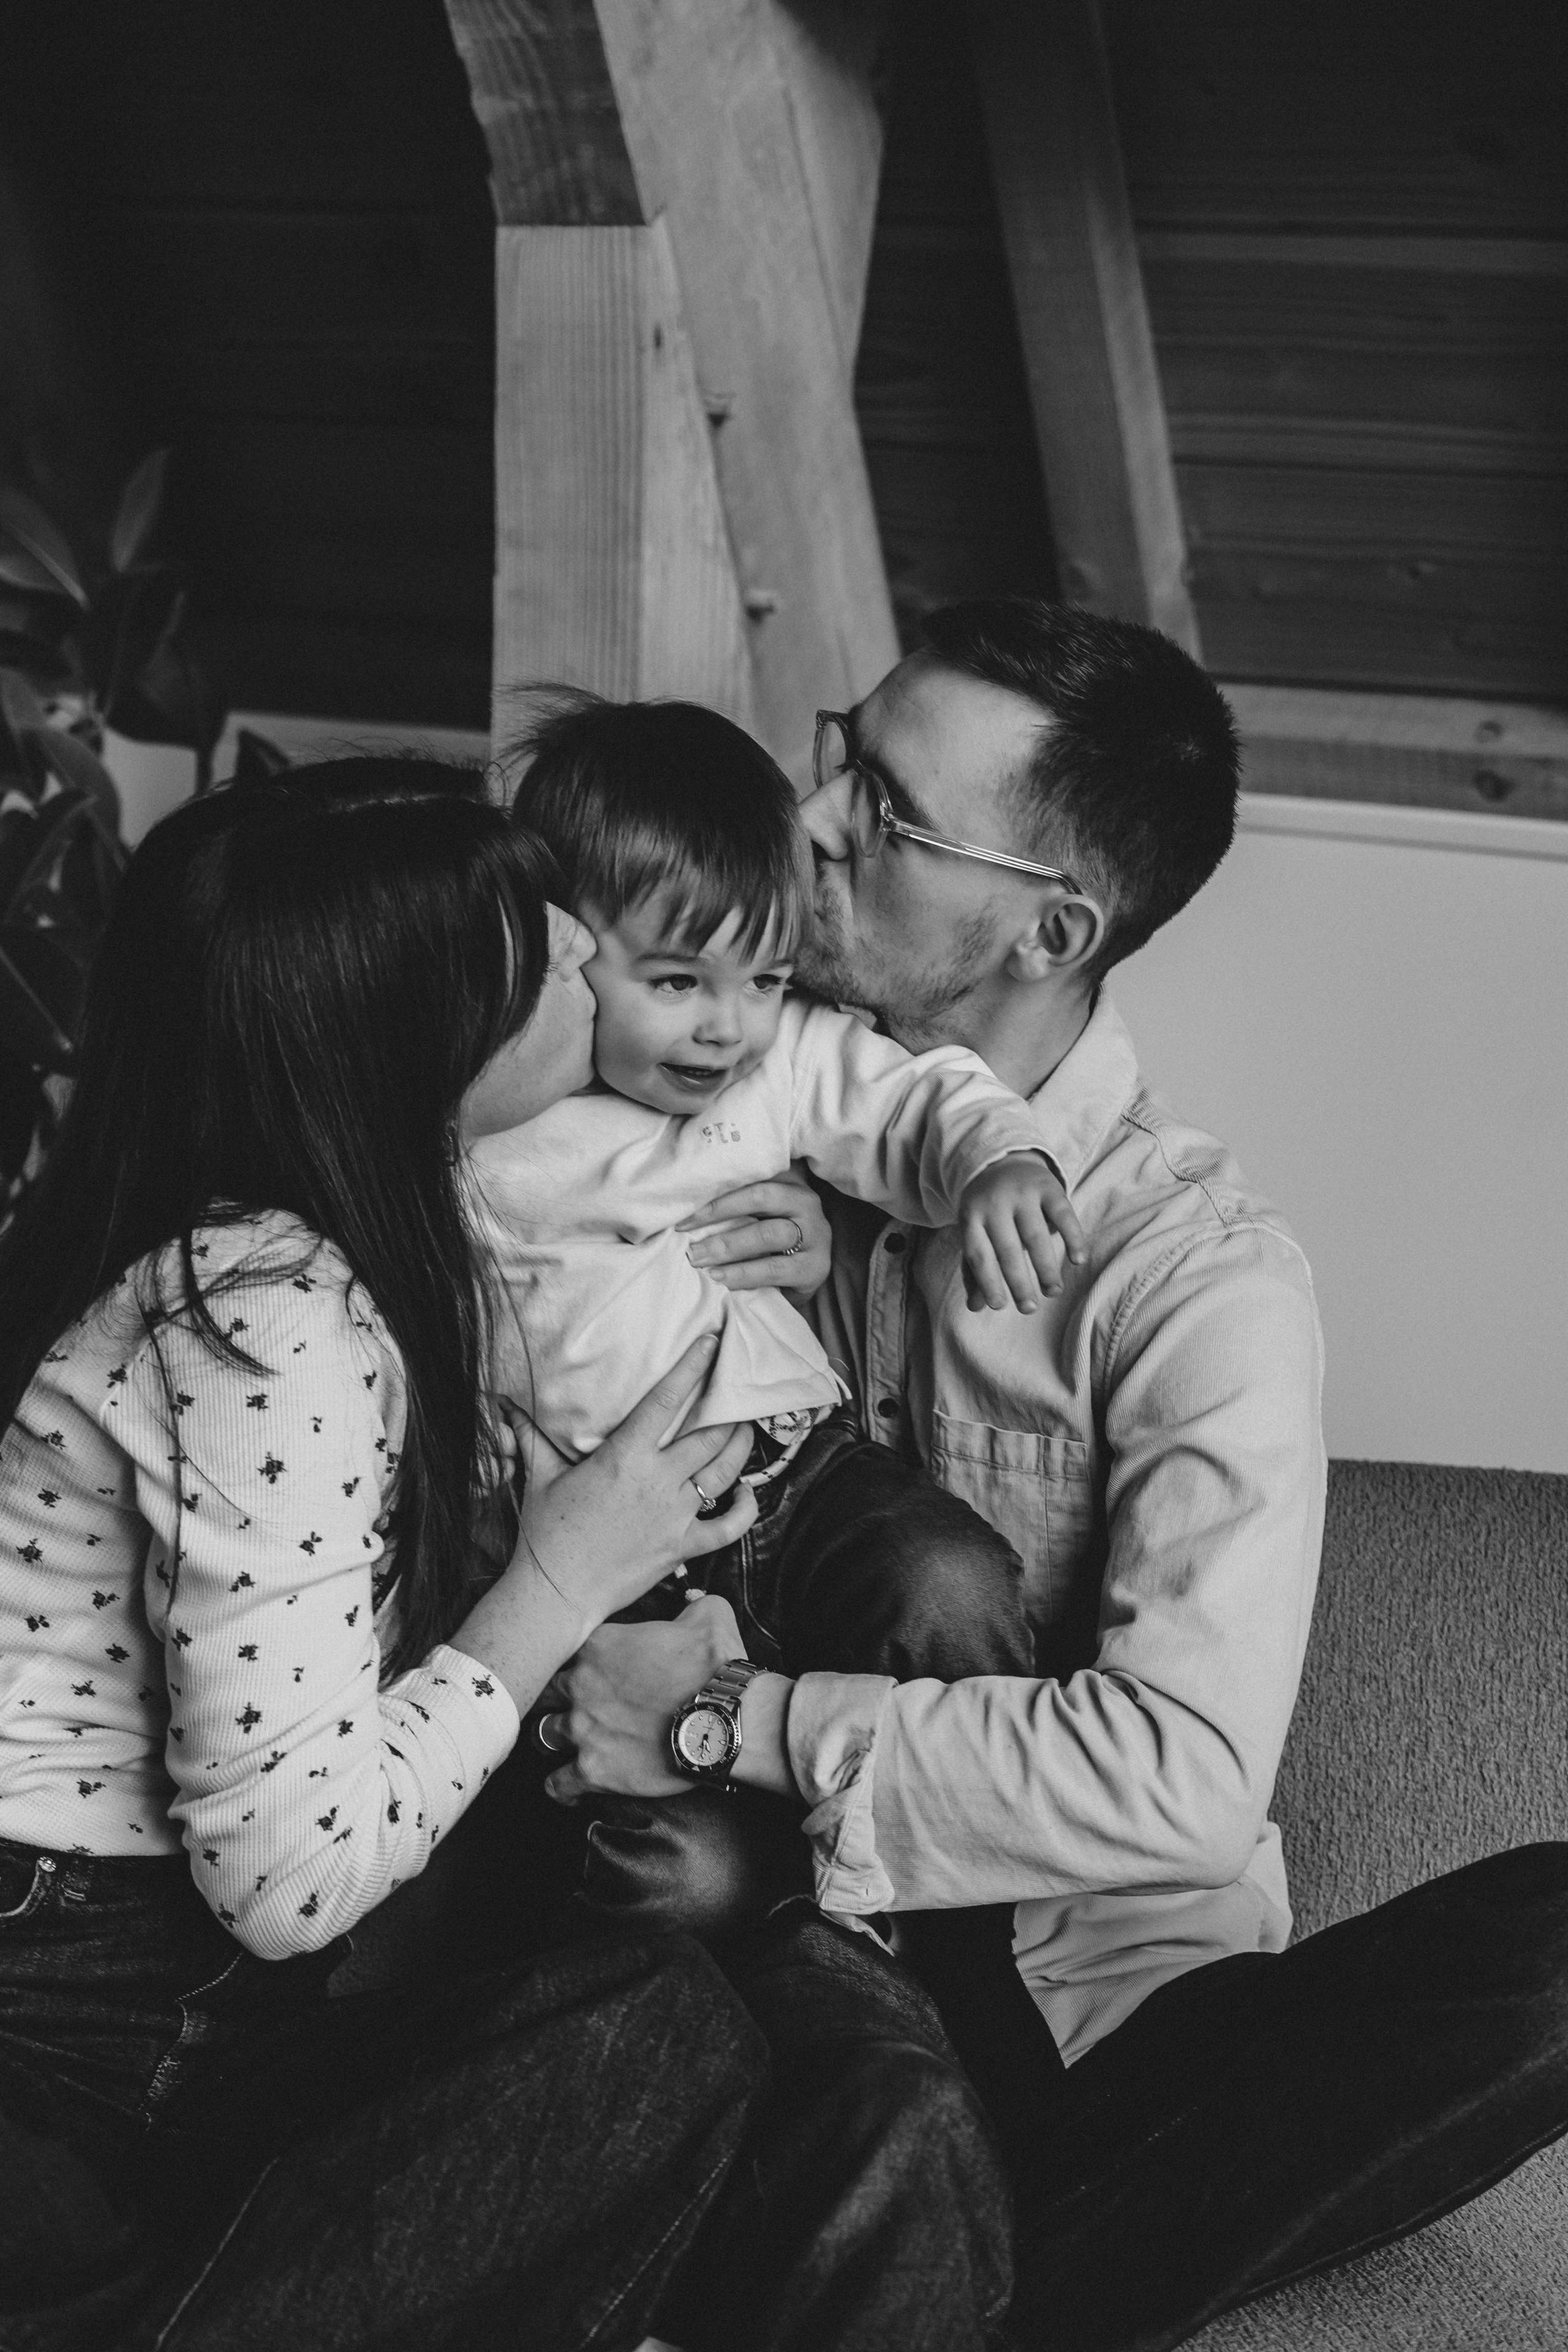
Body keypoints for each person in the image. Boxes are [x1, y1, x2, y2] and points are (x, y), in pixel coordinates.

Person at [545, 601, 1568, 2349]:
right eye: (837, 753)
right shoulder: (715, 1086)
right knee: (826, 2089)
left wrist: (727, 1723)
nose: (811, 819)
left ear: (1053, 928)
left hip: (1101, 1995)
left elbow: (1182, 1783)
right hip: (798, 1943)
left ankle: (968, 2258)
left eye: (885, 807)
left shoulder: (1201, 1285)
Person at [0, 758, 1012, 2352]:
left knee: (760, 2058)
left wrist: (806, 1243)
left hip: (164, 1972)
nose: (595, 960)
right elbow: (287, 1881)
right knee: (663, 2037)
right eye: (548, 953)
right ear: (435, 1038)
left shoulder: (346, 1231)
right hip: (89, 2006)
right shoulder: (271, 1320)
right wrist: (565, 1581)